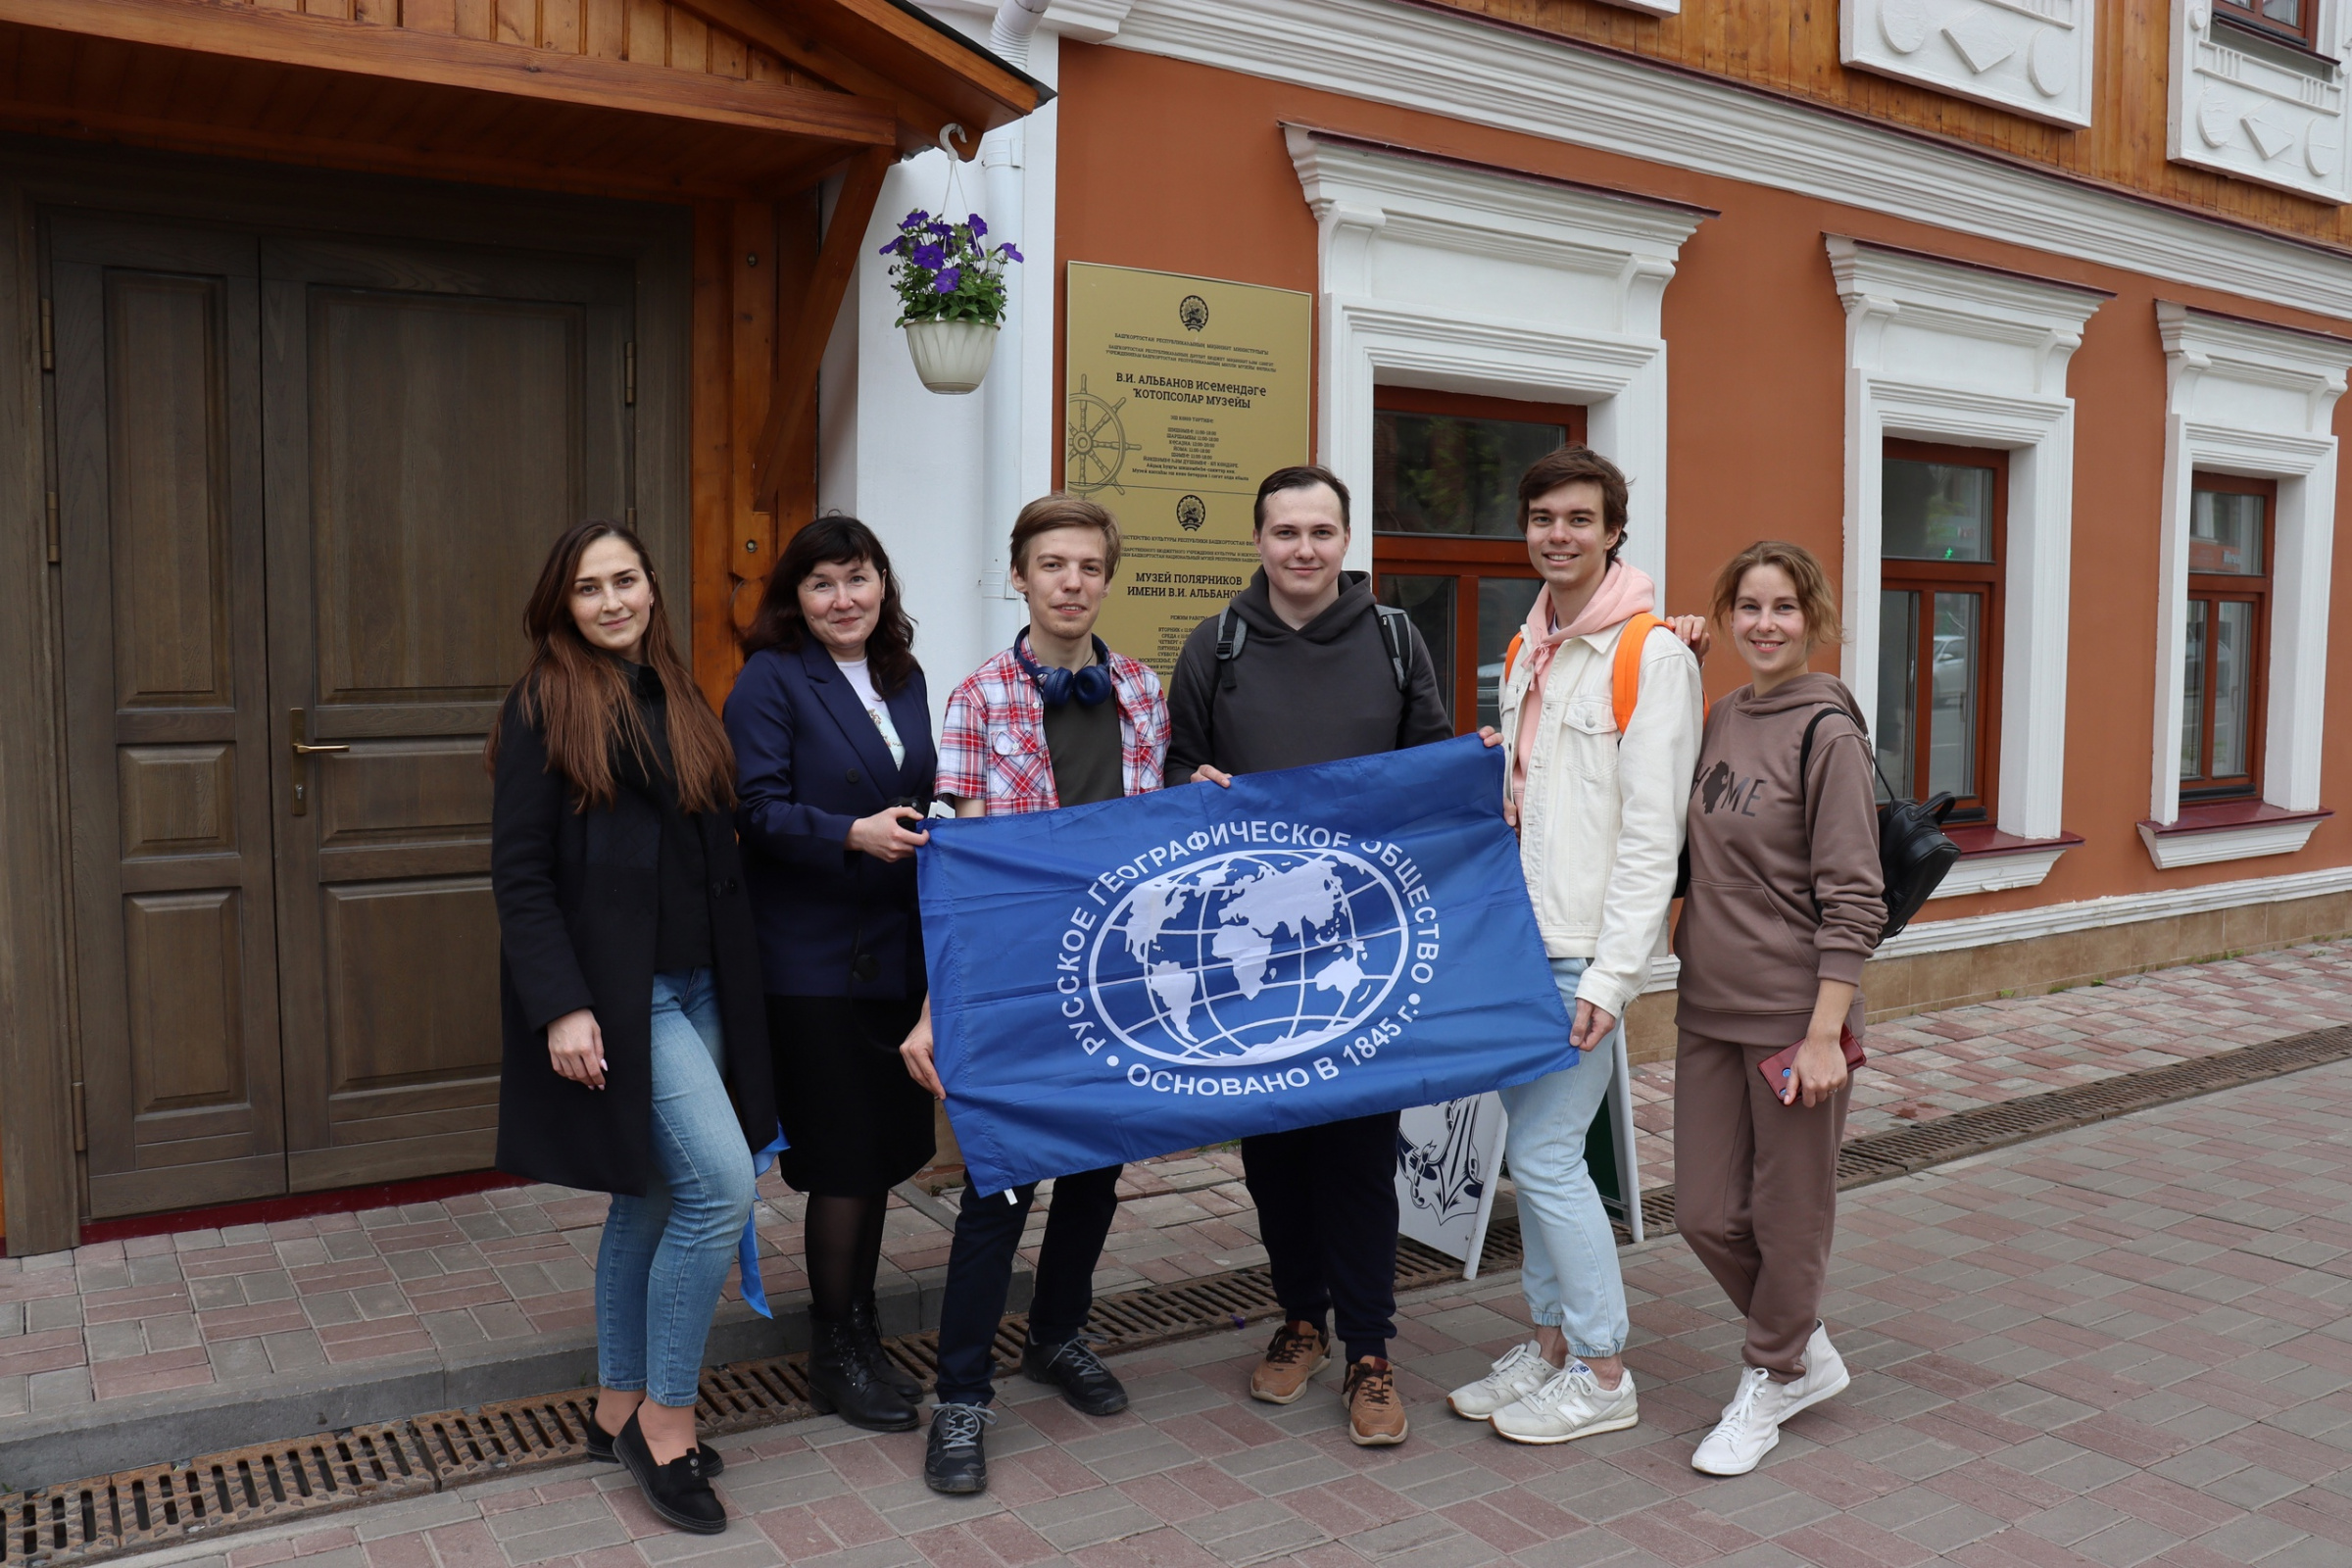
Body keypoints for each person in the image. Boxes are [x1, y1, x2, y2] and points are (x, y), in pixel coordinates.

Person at [488, 519, 770, 1537]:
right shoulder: (543, 703)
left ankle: (614, 1405)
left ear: (652, 587)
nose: (612, 601)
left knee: (653, 1193)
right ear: (561, 604)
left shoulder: (675, 690)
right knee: (722, 1187)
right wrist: (562, 1004)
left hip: (700, 983)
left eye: (626, 581)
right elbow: (520, 874)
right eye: (589, 587)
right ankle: (667, 1420)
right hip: (620, 996)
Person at [1165, 465, 1451, 1447]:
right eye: (1285, 531)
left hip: (1361, 941)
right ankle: (1301, 1321)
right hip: (1252, 942)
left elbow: (1431, 773)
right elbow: (1177, 764)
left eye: (1321, 531)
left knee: (1360, 1153)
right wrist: (1193, 782)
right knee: (1276, 1150)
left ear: (1345, 540)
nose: (1303, 548)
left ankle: (1370, 1349)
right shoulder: (1217, 644)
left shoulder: (1395, 638)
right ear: (1258, 540)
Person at [897, 493, 1170, 1495]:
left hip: (1118, 981)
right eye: (1052, 564)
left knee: (1096, 1177)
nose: (1071, 582)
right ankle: (961, 1397)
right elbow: (956, 869)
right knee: (999, 1192)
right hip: (1017, 986)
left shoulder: (1141, 689)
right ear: (1019, 575)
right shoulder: (977, 698)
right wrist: (937, 1006)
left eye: (1089, 566)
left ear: (1107, 579)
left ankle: (1056, 1336)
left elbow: (1161, 838)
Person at [1446, 449, 1702, 1446]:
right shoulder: (1529, 647)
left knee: (1549, 1155)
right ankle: (1551, 1344)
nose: (1560, 535)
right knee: (1536, 1154)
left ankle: (1602, 1370)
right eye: (1544, 517)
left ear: (1614, 531)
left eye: (1580, 519)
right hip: (1522, 944)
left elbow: (1651, 837)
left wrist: (1614, 974)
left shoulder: (1651, 657)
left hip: (1583, 954)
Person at [1674, 540, 1884, 1477]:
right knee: (1703, 1213)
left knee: (1787, 1213)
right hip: (1708, 1003)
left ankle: (1775, 1370)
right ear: (1728, 616)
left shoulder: (1827, 732)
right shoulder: (1722, 714)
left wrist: (1825, 1033)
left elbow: (1855, 895)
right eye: (1748, 606)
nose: (1765, 624)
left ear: (1814, 619)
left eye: (1784, 607)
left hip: (1795, 1015)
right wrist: (1672, 659)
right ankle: (1801, 1346)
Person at [724, 517, 939, 1434]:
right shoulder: (771, 680)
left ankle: (861, 1331)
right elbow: (753, 808)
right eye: (822, 584)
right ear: (796, 597)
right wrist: (852, 833)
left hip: (895, 948)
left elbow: (918, 786)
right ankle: (834, 1353)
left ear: (882, 583)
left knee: (880, 1156)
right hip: (812, 960)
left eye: (858, 579)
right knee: (845, 1159)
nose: (843, 600)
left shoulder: (903, 674)